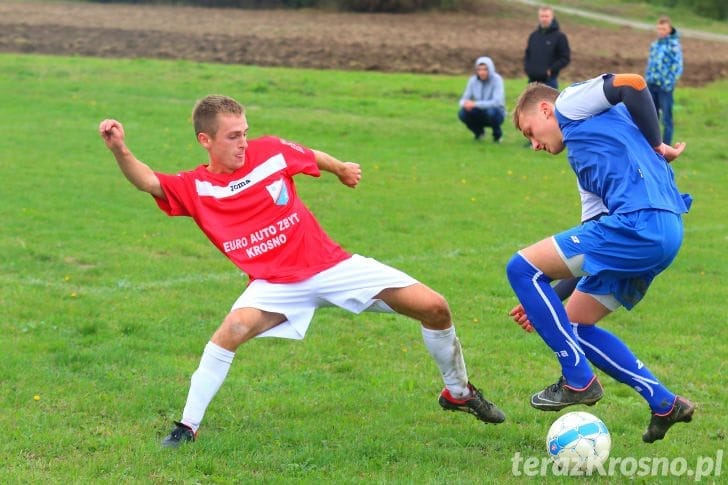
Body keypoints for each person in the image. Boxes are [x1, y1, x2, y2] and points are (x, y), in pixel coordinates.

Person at [98, 95, 505, 448]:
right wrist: (119, 149)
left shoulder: (270, 151)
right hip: (274, 286)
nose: (243, 142)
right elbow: (148, 181)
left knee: (435, 307)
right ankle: (187, 427)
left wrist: (341, 167)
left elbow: (310, 156)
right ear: (205, 140)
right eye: (232, 136)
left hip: (331, 266)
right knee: (230, 333)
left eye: (245, 132)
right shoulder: (196, 187)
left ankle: (458, 393)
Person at [507, 73, 695, 443]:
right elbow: (589, 254)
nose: (533, 145)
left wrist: (657, 144)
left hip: (639, 223)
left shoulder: (569, 104)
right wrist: (546, 301)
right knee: (576, 323)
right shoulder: (585, 163)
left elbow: (632, 83)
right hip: (662, 232)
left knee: (520, 267)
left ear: (546, 109)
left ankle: (577, 379)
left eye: (530, 131)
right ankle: (664, 403)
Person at [645, 15, 683, 145]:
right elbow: (650, 64)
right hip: (651, 84)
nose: (661, 31)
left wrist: (668, 84)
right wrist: (648, 79)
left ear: (669, 29)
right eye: (659, 29)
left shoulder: (673, 46)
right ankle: (653, 144)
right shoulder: (655, 45)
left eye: (664, 29)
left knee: (666, 117)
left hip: (665, 87)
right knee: (652, 116)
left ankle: (666, 146)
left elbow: (677, 67)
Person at [458, 56, 506, 143]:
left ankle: (497, 136)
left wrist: (475, 104)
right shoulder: (473, 80)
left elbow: (497, 102)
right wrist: (465, 104)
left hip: (496, 113)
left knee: (491, 111)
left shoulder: (497, 80)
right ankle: (479, 133)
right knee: (462, 113)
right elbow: (463, 99)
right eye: (479, 69)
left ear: (490, 69)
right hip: (479, 112)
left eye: (485, 69)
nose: (482, 72)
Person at [523, 5, 571, 89]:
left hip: (549, 82)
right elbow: (527, 54)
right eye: (542, 16)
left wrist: (551, 70)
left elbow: (565, 58)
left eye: (546, 16)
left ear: (552, 17)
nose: (544, 19)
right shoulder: (534, 36)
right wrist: (528, 69)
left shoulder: (559, 36)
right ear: (539, 17)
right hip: (532, 81)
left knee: (550, 102)